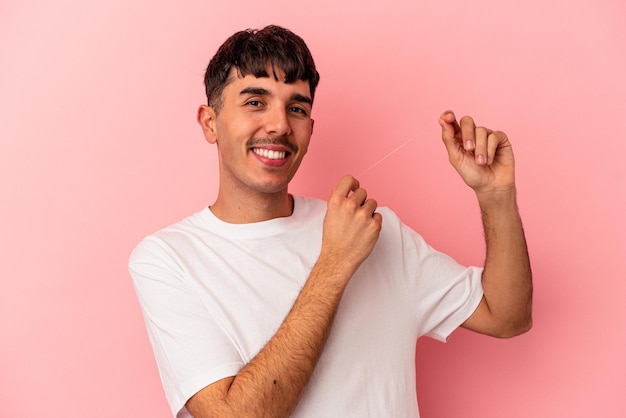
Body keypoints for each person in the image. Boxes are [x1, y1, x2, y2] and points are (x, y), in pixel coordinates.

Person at [129, 25, 532, 418]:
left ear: (310, 128)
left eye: (297, 108)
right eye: (255, 102)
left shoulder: (373, 229)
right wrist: (335, 263)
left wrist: (496, 198)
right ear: (209, 122)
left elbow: (507, 315)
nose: (280, 125)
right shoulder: (168, 259)